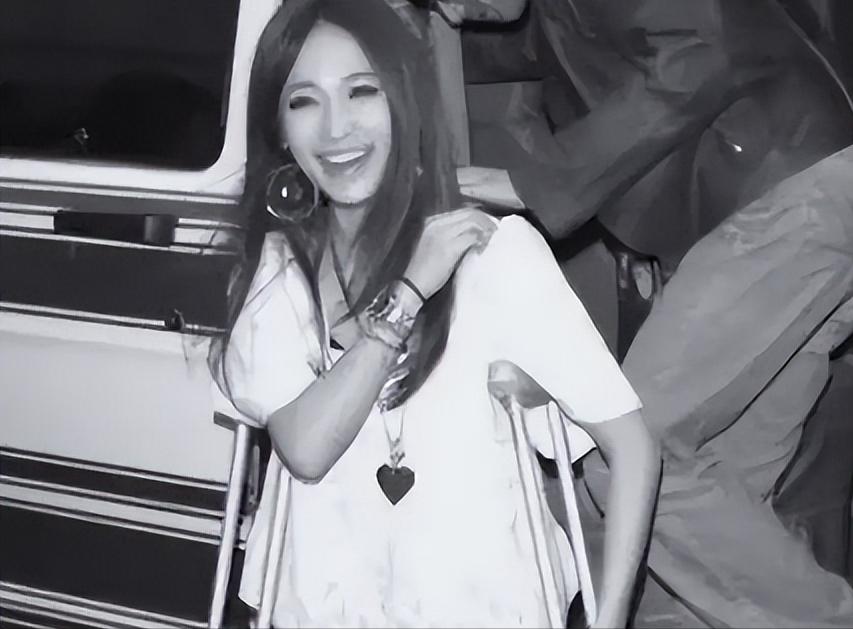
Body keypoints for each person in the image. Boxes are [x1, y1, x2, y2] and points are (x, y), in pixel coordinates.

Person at [210, 1, 660, 626]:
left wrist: (609, 621)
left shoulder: (496, 256)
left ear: (405, 103)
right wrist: (409, 290)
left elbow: (632, 445)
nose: (337, 128)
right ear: (280, 129)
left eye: (362, 91)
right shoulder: (281, 271)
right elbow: (306, 448)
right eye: (304, 101)